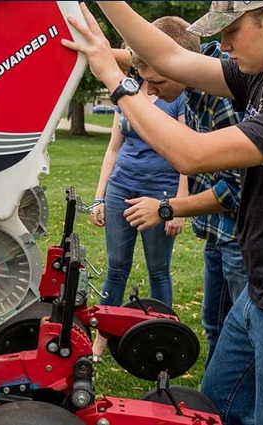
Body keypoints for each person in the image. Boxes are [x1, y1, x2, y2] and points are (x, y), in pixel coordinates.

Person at [63, 2, 263, 425]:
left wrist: (115, 80)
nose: (221, 44)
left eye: (232, 31)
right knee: (214, 411)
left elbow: (191, 154)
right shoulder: (261, 80)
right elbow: (171, 57)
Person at [122, 16, 248, 368]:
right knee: (215, 327)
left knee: (245, 335)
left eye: (158, 80)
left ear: (177, 64)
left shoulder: (222, 100)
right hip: (217, 236)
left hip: (241, 236)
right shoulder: (194, 70)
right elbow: (152, 55)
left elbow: (235, 191)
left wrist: (167, 208)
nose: (152, 91)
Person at [88, 44, 187, 359]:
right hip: (121, 189)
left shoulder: (177, 97)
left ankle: (166, 337)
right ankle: (101, 340)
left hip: (160, 195)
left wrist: (178, 206)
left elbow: (188, 154)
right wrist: (100, 196)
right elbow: (113, 149)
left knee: (159, 270)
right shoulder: (127, 94)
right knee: (117, 267)